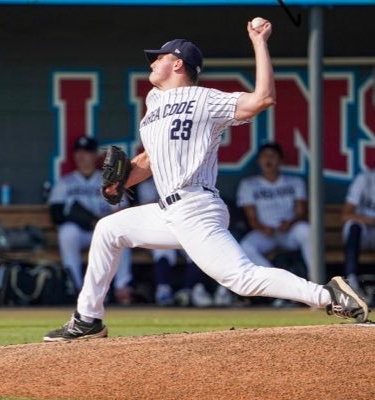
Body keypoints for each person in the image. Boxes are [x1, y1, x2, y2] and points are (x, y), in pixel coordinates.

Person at [44, 19, 368, 342]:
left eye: (160, 57)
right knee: (108, 230)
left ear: (178, 63)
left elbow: (263, 99)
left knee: (242, 279)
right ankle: (88, 319)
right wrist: (123, 179)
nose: (154, 62)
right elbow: (150, 160)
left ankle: (328, 295)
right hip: (166, 211)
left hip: (196, 206)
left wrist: (259, 42)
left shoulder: (206, 99)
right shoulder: (153, 103)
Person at [48, 135, 133, 305]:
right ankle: (75, 286)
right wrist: (85, 219)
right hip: (81, 233)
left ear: (95, 155)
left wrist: (103, 221)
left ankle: (122, 288)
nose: (82, 155)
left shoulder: (108, 181)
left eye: (86, 152)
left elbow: (124, 212)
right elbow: (56, 215)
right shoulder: (66, 183)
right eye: (78, 151)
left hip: (103, 231)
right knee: (67, 232)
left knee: (121, 235)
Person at [137, 177, 233, 307]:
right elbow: (149, 210)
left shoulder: (186, 179)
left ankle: (188, 290)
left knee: (198, 252)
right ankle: (163, 290)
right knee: (163, 253)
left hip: (188, 226)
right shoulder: (148, 185)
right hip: (161, 228)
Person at [236, 142, 313, 282]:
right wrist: (261, 228)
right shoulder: (249, 184)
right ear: (259, 161)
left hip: (289, 231)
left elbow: (301, 212)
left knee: (307, 231)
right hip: (265, 232)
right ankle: (278, 282)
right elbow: (251, 217)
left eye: (273, 156)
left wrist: (290, 223)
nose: (268, 160)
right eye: (264, 156)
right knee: (246, 247)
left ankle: (316, 279)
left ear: (280, 161)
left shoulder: (295, 182)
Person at [341, 170, 375, 293]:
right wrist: (369, 220)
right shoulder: (364, 180)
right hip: (363, 232)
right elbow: (345, 215)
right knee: (353, 225)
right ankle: (351, 279)